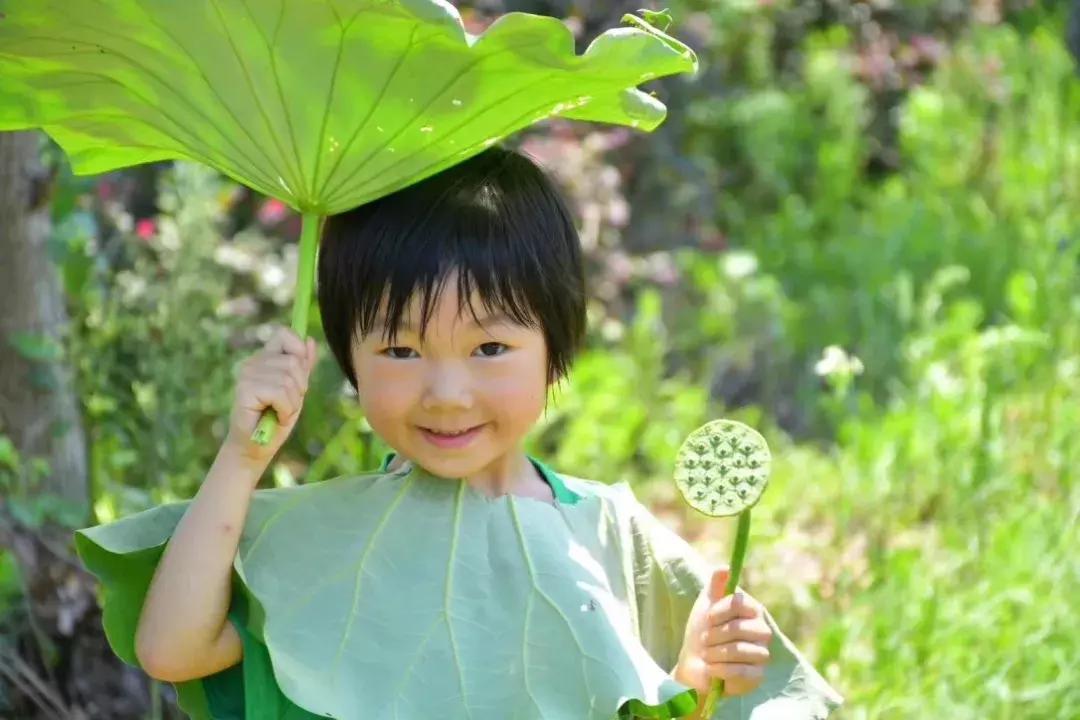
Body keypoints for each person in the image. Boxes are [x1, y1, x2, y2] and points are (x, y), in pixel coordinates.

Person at [75, 146, 843, 719]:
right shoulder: (325, 533)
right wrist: (242, 461)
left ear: (556, 346)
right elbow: (172, 649)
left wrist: (695, 671)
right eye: (401, 350)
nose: (446, 393)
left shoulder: (615, 534)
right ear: (348, 355)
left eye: (489, 348)